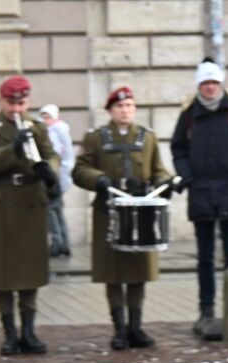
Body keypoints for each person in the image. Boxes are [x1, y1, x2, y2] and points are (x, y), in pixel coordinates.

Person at [72, 87, 173, 349]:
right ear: (110, 111)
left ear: (135, 108)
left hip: (141, 211)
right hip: (110, 212)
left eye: (129, 105)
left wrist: (166, 183)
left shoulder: (147, 138)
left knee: (138, 271)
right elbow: (80, 170)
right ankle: (119, 328)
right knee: (114, 271)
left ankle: (136, 327)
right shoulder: (95, 138)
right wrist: (99, 179)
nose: (124, 110)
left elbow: (158, 170)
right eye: (119, 106)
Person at [170, 58, 228, 337]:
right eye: (205, 83)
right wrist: (186, 175)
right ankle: (206, 310)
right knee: (205, 257)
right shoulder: (188, 115)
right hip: (201, 192)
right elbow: (178, 149)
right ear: (199, 86)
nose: (210, 88)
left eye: (214, 83)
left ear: (220, 85)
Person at [0, 75, 60, 355]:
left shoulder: (37, 128)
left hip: (30, 204)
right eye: (11, 104)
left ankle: (29, 332)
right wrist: (12, 149)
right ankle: (9, 333)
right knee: (3, 273)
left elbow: (52, 156)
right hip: (1, 206)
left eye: (21, 103)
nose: (16, 109)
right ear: (2, 101)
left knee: (29, 271)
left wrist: (50, 171)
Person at [39, 104, 74, 257]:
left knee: (51, 210)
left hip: (57, 176)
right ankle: (64, 243)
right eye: (44, 116)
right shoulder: (50, 130)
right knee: (57, 210)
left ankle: (58, 242)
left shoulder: (59, 130)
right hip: (53, 174)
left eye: (48, 117)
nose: (45, 119)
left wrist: (62, 174)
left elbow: (66, 155)